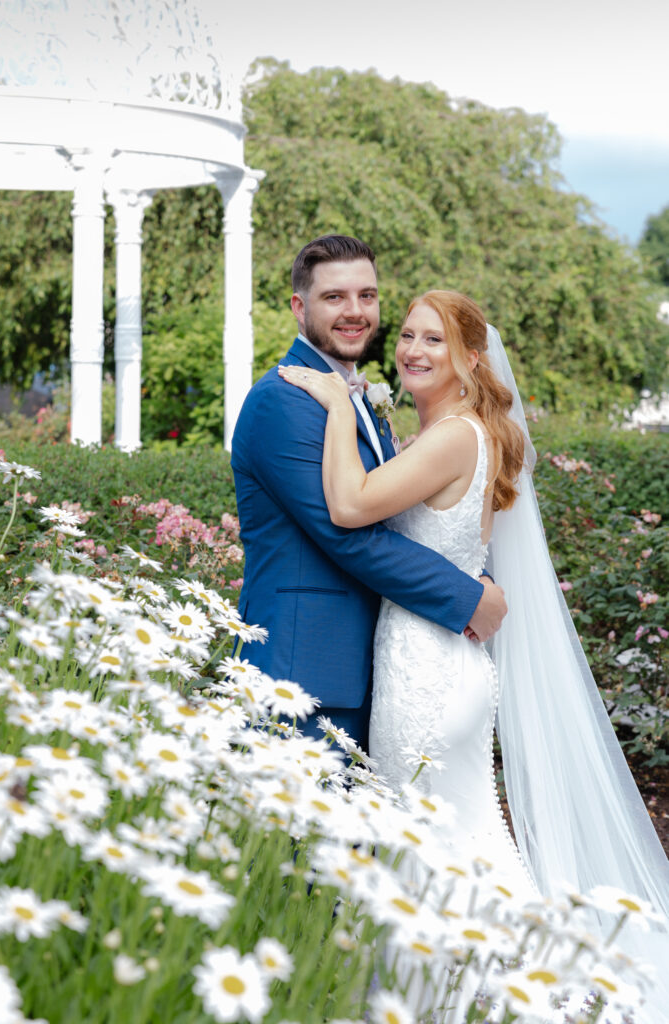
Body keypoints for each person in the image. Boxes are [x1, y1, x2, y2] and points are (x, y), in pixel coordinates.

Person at [278, 288, 669, 1023]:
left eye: (435, 341)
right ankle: (472, 991)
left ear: (470, 361)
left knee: (435, 839)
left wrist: (335, 407)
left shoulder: (455, 435)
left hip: (428, 666)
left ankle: (533, 993)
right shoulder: (463, 430)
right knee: (455, 834)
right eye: (409, 337)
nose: (413, 350)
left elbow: (350, 507)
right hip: (436, 658)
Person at [231, 235, 507, 748]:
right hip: (302, 674)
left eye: (367, 296)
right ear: (299, 307)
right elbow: (347, 533)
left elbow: (408, 519)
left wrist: (474, 569)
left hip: (374, 669)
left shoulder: (357, 397)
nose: (354, 311)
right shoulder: (285, 401)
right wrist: (467, 595)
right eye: (334, 297)